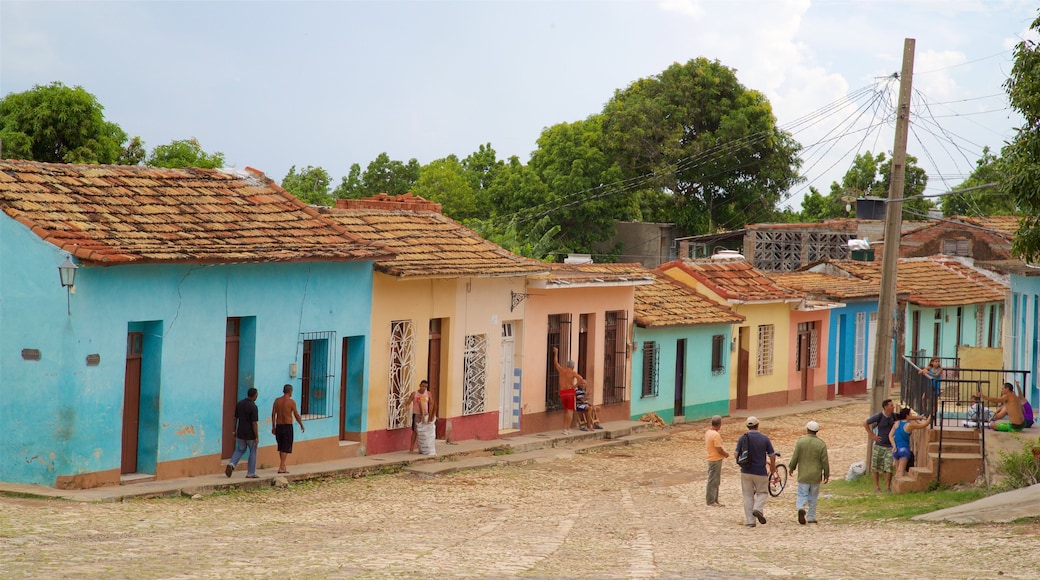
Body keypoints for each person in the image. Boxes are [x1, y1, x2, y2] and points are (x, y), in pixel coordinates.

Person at [735, 416, 776, 528]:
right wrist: (772, 467)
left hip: (746, 471)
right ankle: (758, 508)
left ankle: (750, 521)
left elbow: (736, 454)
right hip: (760, 471)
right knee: (762, 492)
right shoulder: (764, 438)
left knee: (747, 495)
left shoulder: (742, 438)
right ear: (758, 425)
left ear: (747, 426)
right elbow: (772, 455)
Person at [788, 421, 829, 525]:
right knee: (813, 496)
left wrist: (792, 467)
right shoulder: (821, 444)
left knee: (802, 494)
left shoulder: (800, 442)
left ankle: (801, 507)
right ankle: (811, 517)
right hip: (815, 475)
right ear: (817, 431)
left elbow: (795, 456)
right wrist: (826, 474)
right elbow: (824, 461)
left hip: (803, 474)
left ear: (807, 430)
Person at [225, 387, 260, 478]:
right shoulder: (253, 407)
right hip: (250, 434)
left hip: (240, 431)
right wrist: (256, 436)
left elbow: (235, 418)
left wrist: (234, 431)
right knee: (253, 451)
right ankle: (250, 473)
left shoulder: (239, 404)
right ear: (254, 396)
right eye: (256, 395)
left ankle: (232, 463)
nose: (257, 396)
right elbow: (254, 423)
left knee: (240, 449)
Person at [863, 398, 896, 493]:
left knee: (889, 467)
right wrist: (872, 435)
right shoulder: (879, 416)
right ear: (886, 407)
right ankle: (877, 486)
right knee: (875, 466)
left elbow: (906, 417)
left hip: (889, 446)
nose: (893, 407)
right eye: (891, 405)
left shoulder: (894, 416)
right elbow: (865, 423)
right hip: (878, 445)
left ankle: (887, 487)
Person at [271, 383, 305, 474]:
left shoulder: (277, 401)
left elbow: (273, 414)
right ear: (290, 391)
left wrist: (273, 426)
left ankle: (283, 465)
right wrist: (301, 424)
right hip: (287, 426)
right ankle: (281, 467)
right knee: (286, 447)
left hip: (279, 425)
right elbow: (296, 414)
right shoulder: (291, 402)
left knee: (281, 446)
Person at [552, 346, 585, 435]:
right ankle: (567, 428)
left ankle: (564, 428)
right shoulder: (573, 372)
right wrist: (575, 386)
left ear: (567, 365)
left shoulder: (561, 370)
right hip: (570, 392)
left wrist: (556, 353)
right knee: (570, 411)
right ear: (573, 366)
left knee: (565, 411)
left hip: (562, 392)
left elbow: (555, 363)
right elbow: (581, 379)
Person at [890, 408, 930, 478]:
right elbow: (925, 425)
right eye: (910, 414)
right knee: (901, 471)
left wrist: (894, 446)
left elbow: (890, 435)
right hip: (904, 449)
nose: (912, 416)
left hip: (895, 450)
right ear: (907, 415)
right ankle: (901, 487)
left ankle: (895, 487)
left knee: (897, 471)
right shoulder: (909, 425)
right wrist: (931, 416)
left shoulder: (896, 423)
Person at [704, 415, 728, 507]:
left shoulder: (708, 432)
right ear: (719, 424)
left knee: (715, 480)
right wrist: (725, 454)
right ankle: (711, 501)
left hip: (712, 458)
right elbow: (718, 448)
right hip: (715, 459)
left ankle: (715, 499)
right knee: (713, 480)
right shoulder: (715, 435)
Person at [405, 380, 432, 453]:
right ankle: (411, 448)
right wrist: (407, 407)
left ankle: (423, 448)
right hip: (416, 414)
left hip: (426, 414)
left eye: (425, 387)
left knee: (425, 432)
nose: (424, 388)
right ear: (420, 385)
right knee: (415, 431)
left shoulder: (428, 394)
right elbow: (408, 402)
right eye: (423, 386)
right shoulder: (414, 394)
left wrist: (431, 414)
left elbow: (431, 404)